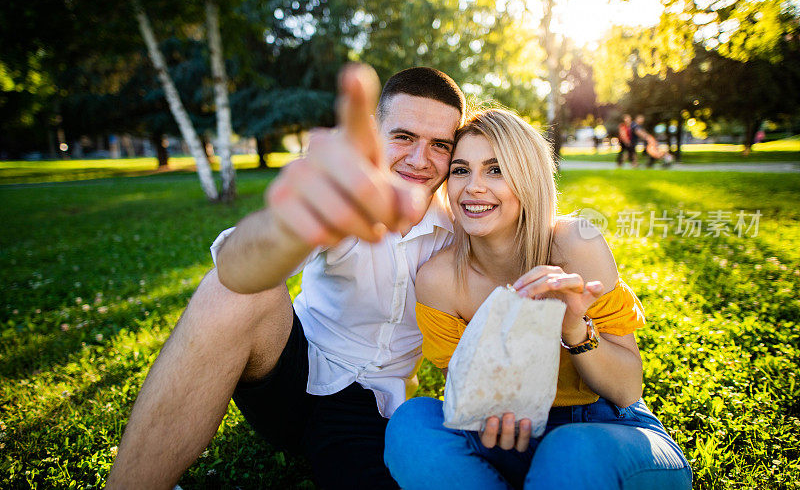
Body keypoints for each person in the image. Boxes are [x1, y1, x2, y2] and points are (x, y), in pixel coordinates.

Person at [107, 65, 465, 489]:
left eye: (440, 145)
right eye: (403, 137)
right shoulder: (339, 189)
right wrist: (291, 226)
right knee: (235, 294)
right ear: (373, 129)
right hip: (295, 376)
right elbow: (234, 271)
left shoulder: (462, 227)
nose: (420, 159)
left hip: (374, 410)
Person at [384, 108, 692, 489]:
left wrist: (574, 327)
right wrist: (494, 400)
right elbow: (465, 391)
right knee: (412, 423)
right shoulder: (438, 279)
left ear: (528, 178)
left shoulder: (576, 244)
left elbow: (627, 390)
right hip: (507, 437)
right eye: (461, 170)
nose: (473, 187)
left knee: (569, 450)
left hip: (604, 430)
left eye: (496, 170)